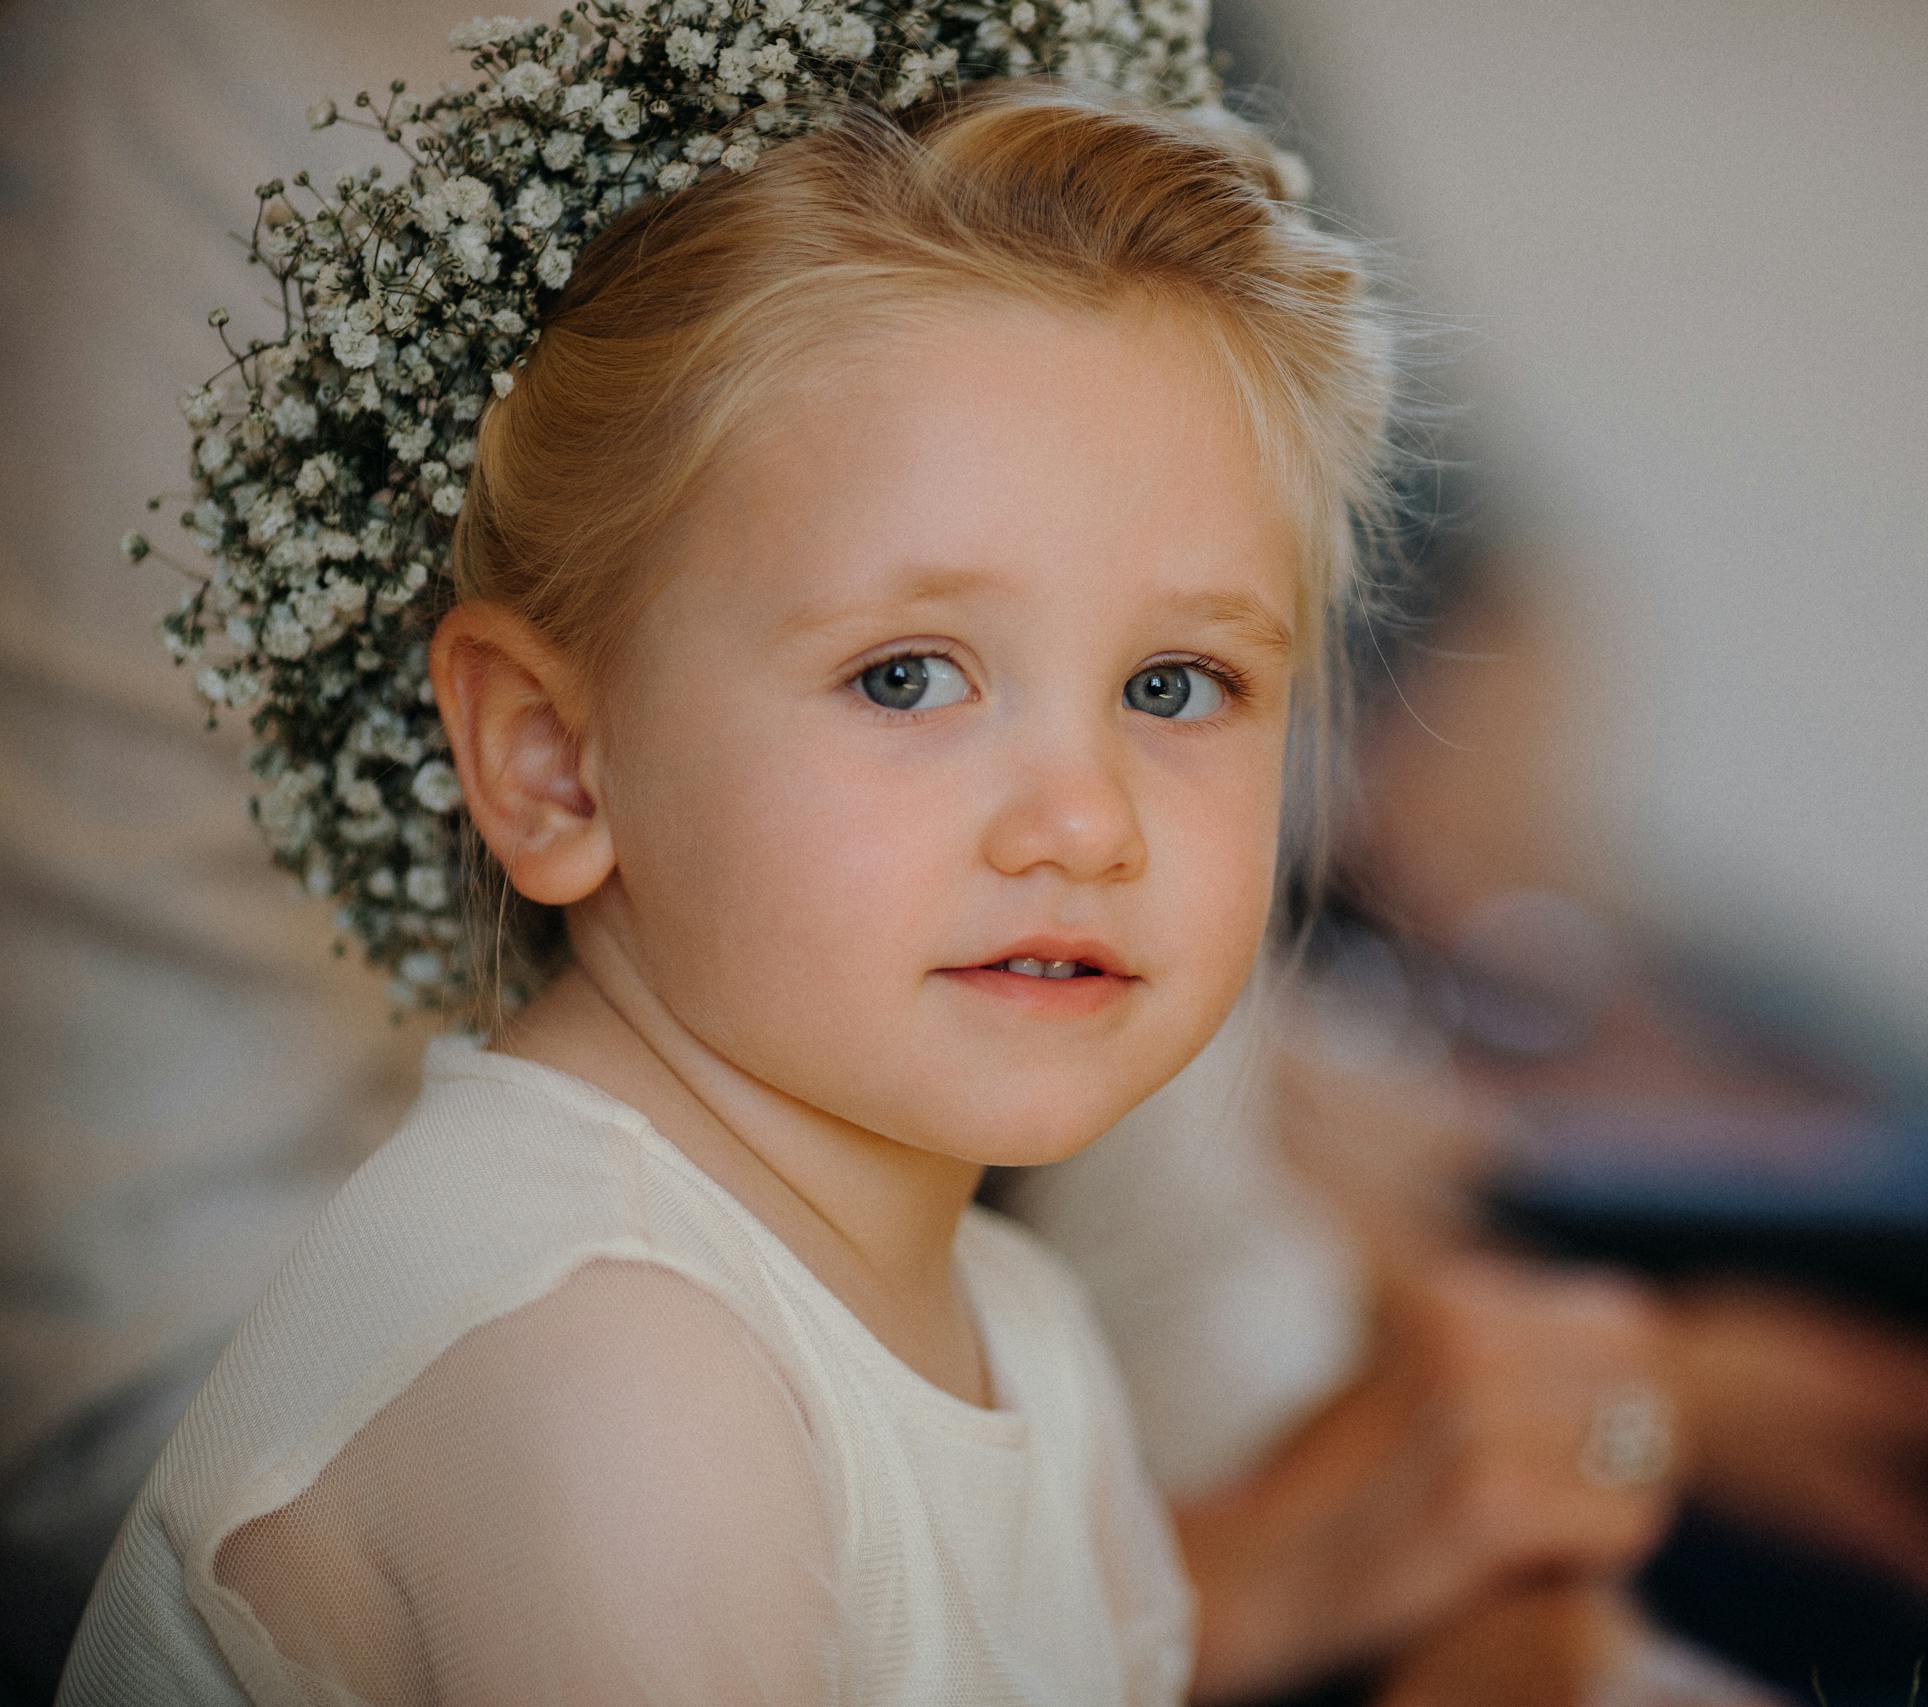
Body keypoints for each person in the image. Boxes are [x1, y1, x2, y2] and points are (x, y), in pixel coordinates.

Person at [55, 7, 1408, 1700]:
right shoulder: (605, 1360)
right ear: (552, 762)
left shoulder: (1021, 1329)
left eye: (1175, 685)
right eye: (905, 676)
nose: (1086, 820)